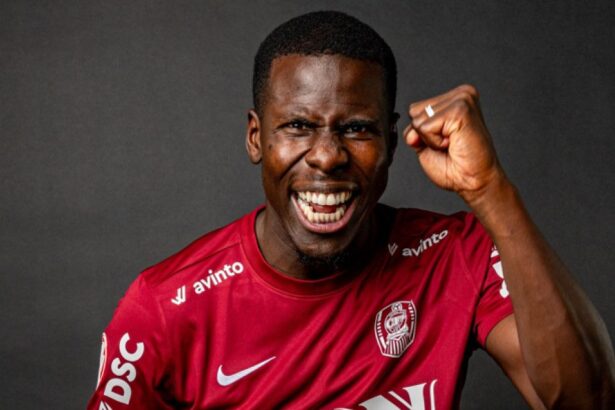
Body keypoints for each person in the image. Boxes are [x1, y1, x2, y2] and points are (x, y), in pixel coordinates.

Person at [88, 11, 614, 409]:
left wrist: (489, 188)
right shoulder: (163, 307)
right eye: (298, 126)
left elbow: (587, 401)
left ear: (391, 142)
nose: (327, 156)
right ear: (255, 138)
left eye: (357, 128)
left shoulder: (455, 254)